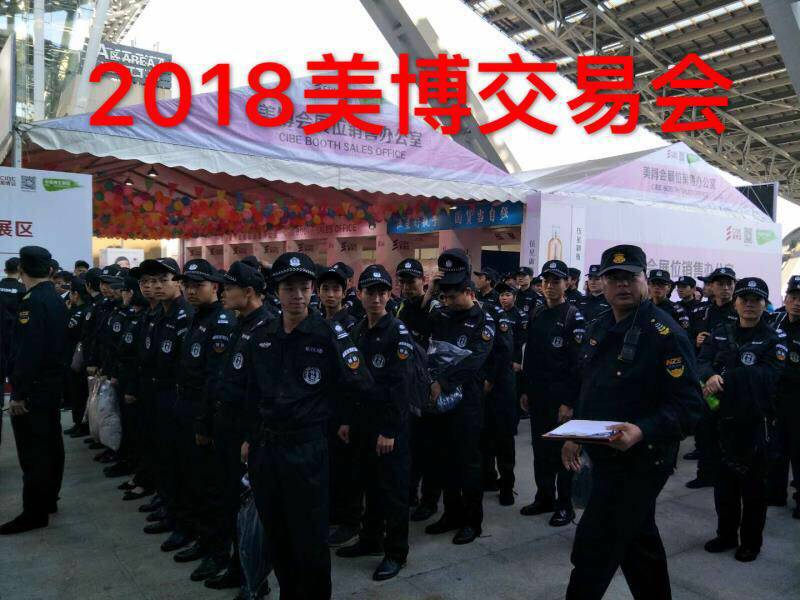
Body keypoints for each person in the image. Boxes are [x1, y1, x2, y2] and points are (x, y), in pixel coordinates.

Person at [561, 244, 702, 600]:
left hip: (642, 461)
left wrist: (642, 430)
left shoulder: (665, 334)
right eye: (614, 278)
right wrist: (576, 433)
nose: (622, 285)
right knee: (639, 546)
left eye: (630, 277)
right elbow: (592, 388)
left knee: (595, 548)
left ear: (644, 279)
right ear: (602, 283)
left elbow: (689, 407)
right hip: (605, 455)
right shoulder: (601, 325)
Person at [245, 252, 372, 600]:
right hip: (267, 449)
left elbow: (360, 382)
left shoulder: (329, 334)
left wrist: (334, 414)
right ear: (276, 291)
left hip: (307, 449)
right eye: (289, 288)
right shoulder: (262, 335)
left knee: (310, 537)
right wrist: (249, 438)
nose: (298, 295)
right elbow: (250, 392)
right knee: (277, 532)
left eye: (304, 287)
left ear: (312, 290)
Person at [203, 261, 277, 592]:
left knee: (251, 510)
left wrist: (252, 437)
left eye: (228, 288)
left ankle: (255, 580)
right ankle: (238, 567)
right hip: (228, 427)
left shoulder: (266, 328)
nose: (222, 293)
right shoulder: (241, 323)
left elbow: (264, 394)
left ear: (248, 292)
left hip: (248, 434)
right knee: (231, 503)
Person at [336, 265, 414, 582]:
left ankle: (396, 553)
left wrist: (389, 431)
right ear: (360, 294)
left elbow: (401, 386)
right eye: (371, 292)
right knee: (368, 485)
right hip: (362, 425)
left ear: (389, 295)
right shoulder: (357, 330)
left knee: (393, 492)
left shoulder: (398, 332)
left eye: (382, 292)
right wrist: (346, 420)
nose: (377, 298)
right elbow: (350, 381)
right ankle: (370, 540)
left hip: (388, 429)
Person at [699, 277, 784, 562]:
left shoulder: (774, 339)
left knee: (753, 490)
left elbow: (768, 377)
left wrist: (723, 377)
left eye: (756, 300)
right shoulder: (720, 332)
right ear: (735, 303)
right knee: (724, 487)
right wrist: (709, 375)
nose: (749, 304)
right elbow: (701, 361)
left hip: (755, 425)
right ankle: (725, 535)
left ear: (764, 304)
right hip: (721, 422)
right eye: (744, 299)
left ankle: (750, 542)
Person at [171, 259, 235, 582]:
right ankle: (201, 538)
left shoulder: (221, 321)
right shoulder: (197, 317)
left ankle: (217, 551)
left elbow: (215, 379)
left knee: (212, 486)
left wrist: (204, 423)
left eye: (199, 285)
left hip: (205, 414)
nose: (191, 291)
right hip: (187, 407)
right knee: (193, 479)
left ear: (216, 287)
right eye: (188, 285)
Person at [424, 248, 493, 545]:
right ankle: (451, 513)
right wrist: (429, 294)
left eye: (453, 297)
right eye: (444, 296)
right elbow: (419, 332)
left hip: (467, 402)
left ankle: (472, 521)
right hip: (439, 402)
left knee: (467, 463)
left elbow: (474, 360)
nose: (448, 302)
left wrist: (443, 381)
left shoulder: (483, 320)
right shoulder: (441, 313)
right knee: (444, 460)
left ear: (468, 292)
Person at [1, 246, 68, 535]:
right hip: (51, 385)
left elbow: (28, 353)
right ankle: (49, 499)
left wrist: (18, 393)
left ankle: (34, 512)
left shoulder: (32, 302)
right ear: (50, 270)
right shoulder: (54, 298)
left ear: (22, 270)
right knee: (51, 444)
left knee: (33, 452)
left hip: (34, 389)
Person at [519, 260, 584, 526]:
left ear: (567, 283)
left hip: (560, 400)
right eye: (546, 281)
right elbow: (530, 356)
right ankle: (544, 497)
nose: (550, 286)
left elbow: (578, 365)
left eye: (556, 281)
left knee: (563, 454)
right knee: (541, 451)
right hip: (538, 395)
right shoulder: (536, 312)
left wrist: (569, 402)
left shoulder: (573, 316)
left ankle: (565, 505)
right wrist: (525, 389)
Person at [139, 258, 196, 548]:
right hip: (157, 393)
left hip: (176, 397)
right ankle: (168, 506)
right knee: (163, 456)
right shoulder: (158, 313)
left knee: (179, 463)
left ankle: (182, 520)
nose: (157, 286)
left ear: (178, 283)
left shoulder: (185, 315)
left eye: (164, 280)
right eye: (152, 281)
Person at [318, 264, 362, 548]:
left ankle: (350, 521)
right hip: (321, 406)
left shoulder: (351, 325)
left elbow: (354, 375)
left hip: (344, 407)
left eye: (336, 289)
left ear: (344, 292)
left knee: (347, 468)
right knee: (329, 465)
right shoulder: (315, 320)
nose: (330, 294)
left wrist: (347, 416)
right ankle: (333, 514)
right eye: (326, 289)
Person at [395, 258, 441, 522]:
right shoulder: (401, 308)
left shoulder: (435, 306)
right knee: (410, 445)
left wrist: (430, 295)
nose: (406, 287)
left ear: (422, 281)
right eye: (402, 282)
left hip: (430, 387)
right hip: (408, 387)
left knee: (429, 448)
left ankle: (429, 500)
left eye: (411, 281)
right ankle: (410, 492)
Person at [687, 267, 738, 489]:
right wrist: (696, 339)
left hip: (728, 378)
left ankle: (728, 475)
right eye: (720, 284)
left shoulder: (739, 310)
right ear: (712, 286)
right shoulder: (703, 310)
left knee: (727, 432)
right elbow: (688, 336)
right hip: (703, 374)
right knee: (704, 429)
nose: (725, 288)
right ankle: (706, 474)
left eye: (729, 284)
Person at [479, 282, 517, 506]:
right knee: (484, 436)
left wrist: (490, 379)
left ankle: (507, 486)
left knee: (504, 439)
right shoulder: (471, 314)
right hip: (481, 388)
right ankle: (488, 478)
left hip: (500, 387)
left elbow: (504, 351)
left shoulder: (495, 313)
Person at [767, 275, 800, 518]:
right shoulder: (775, 320)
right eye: (794, 297)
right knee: (776, 448)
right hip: (776, 398)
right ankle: (776, 492)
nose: (797, 303)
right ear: (786, 299)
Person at [0, 257, 25, 441]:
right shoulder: (23, 290)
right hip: (16, 338)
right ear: (20, 270)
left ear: (4, 270)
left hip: (1, 339)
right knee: (16, 372)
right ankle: (17, 399)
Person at [61, 279, 90, 438]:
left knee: (79, 393)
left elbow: (67, 330)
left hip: (76, 356)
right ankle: (78, 423)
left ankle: (81, 424)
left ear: (76, 294)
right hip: (75, 356)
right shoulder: (82, 309)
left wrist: (66, 313)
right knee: (77, 393)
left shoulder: (79, 312)